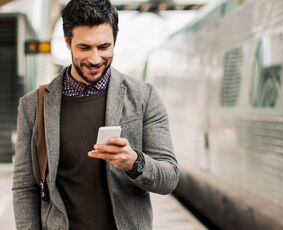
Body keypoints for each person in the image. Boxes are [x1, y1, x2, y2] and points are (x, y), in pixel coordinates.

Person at [12, 0, 179, 229]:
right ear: (67, 43)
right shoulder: (33, 106)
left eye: (103, 47)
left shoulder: (144, 97)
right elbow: (25, 187)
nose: (94, 59)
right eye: (84, 48)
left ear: (114, 42)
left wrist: (134, 162)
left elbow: (169, 178)